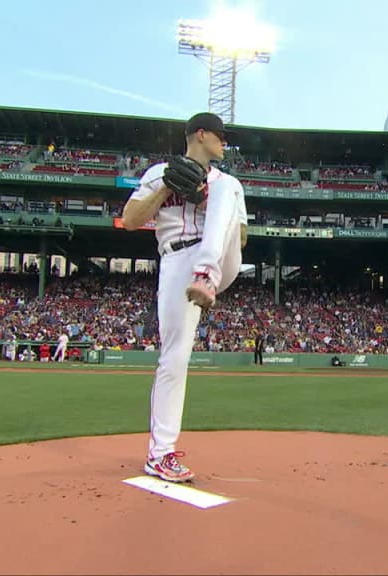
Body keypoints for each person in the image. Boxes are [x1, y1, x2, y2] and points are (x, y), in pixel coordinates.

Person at [121, 112, 247, 483]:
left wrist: (205, 198)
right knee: (175, 356)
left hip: (219, 261)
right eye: (221, 136)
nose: (225, 143)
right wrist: (166, 187)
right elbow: (130, 220)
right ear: (201, 134)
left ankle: (206, 274)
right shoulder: (158, 172)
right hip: (177, 260)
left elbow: (240, 240)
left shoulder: (227, 183)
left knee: (226, 186)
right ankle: (159, 454)